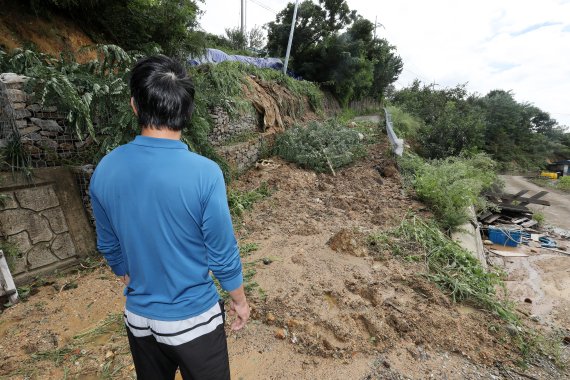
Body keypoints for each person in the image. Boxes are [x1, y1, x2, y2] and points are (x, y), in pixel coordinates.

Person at [89, 55, 249, 380]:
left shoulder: (106, 168)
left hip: (139, 320)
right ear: (187, 111)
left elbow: (108, 243)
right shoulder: (205, 174)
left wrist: (125, 272)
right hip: (194, 321)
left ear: (135, 105)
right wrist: (240, 301)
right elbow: (221, 251)